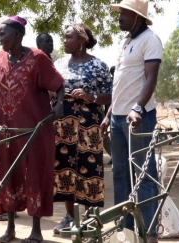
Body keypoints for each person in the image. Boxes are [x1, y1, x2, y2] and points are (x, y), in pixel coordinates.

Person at [0, 16, 64, 243]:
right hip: (6, 129)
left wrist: (59, 104)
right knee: (7, 173)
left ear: (18, 35)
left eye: (3, 33)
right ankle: (10, 227)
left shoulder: (38, 58)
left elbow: (59, 85)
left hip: (34, 129)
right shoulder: (0, 58)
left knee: (35, 174)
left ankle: (36, 230)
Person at [100, 1, 163, 242]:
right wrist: (108, 115)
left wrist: (137, 108)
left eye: (124, 14)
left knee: (143, 173)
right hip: (117, 118)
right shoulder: (126, 42)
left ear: (137, 17)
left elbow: (150, 78)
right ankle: (125, 231)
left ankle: (148, 232)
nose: (120, 18)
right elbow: (121, 84)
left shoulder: (151, 39)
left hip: (139, 117)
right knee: (119, 174)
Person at [53, 23, 113, 233]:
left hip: (90, 124)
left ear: (81, 40)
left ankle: (88, 217)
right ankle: (69, 216)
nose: (64, 41)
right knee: (65, 168)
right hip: (63, 125)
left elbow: (111, 95)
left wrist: (91, 97)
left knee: (90, 169)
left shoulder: (98, 65)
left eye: (68, 37)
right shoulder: (58, 64)